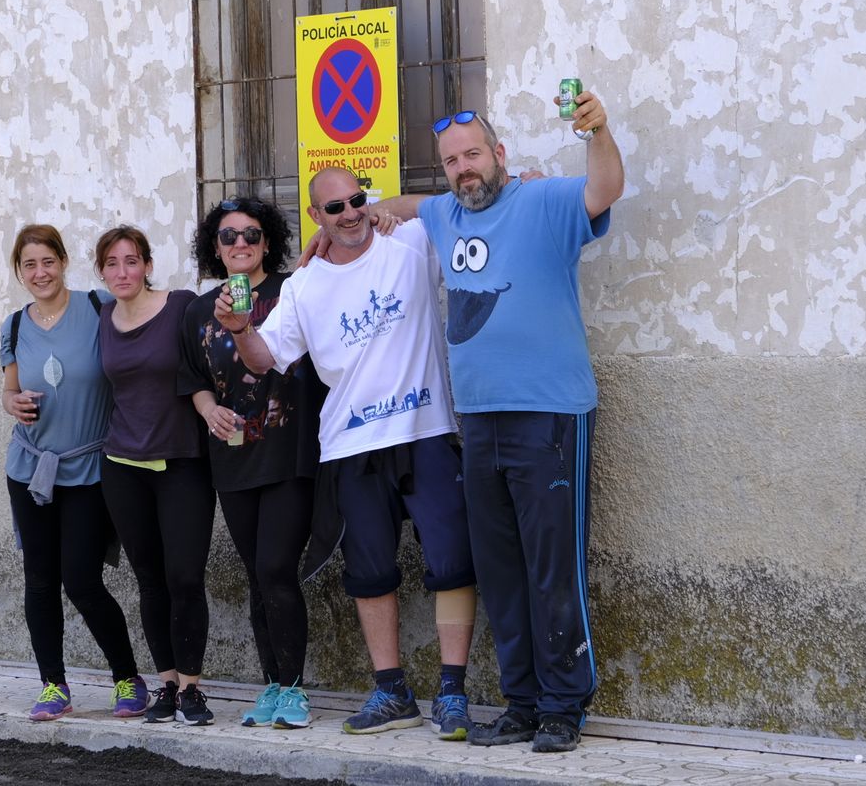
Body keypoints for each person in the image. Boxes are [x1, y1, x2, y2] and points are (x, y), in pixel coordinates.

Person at [377, 93, 625, 752]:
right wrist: (363, 214)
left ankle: (564, 706)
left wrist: (597, 128)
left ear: (499, 155)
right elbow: (406, 207)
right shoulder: (443, 212)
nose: (464, 168)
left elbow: (606, 186)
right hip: (478, 422)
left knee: (553, 567)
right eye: (452, 160)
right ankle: (521, 702)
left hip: (549, 415)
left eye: (473, 154)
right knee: (501, 569)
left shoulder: (542, 203)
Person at [214, 167, 478, 742]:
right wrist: (238, 330)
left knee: (454, 562)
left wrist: (390, 206)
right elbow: (265, 359)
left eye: (358, 200)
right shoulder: (304, 286)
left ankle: (452, 691)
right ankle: (392, 691)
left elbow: (449, 202)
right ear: (315, 218)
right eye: (335, 208)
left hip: (426, 430)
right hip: (352, 444)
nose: (351, 213)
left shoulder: (408, 244)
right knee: (369, 574)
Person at [178, 197, 325, 728]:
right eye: (228, 236)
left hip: (290, 454)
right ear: (214, 248)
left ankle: (295, 690)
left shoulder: (294, 289)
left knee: (275, 569)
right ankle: (272, 686)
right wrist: (208, 407)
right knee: (256, 577)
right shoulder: (198, 309)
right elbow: (191, 379)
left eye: (251, 235)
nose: (240, 244)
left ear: (268, 243)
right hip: (233, 460)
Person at [0, 223, 147, 722]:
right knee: (39, 581)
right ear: (20, 273)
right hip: (29, 470)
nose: (40, 272)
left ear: (63, 262)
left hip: (88, 468)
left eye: (48, 261)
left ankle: (127, 678)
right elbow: (8, 391)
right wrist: (12, 402)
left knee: (81, 580)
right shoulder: (14, 326)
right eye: (29, 265)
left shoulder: (99, 306)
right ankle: (53, 685)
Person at [94, 225, 217, 726]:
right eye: (111, 264)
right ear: (101, 271)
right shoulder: (101, 316)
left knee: (185, 577)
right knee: (150, 580)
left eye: (131, 261)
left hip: (183, 462)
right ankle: (166, 684)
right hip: (122, 466)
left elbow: (211, 366)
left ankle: (192, 688)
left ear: (146, 264)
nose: (122, 272)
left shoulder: (183, 305)